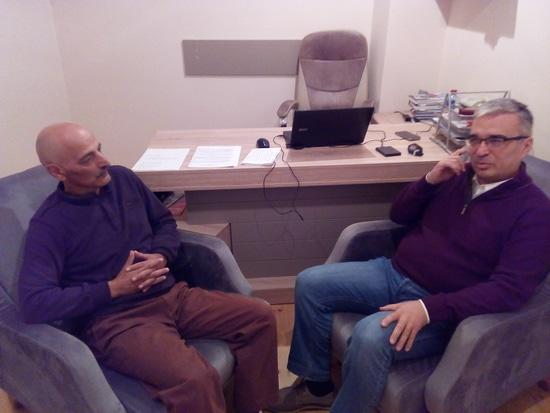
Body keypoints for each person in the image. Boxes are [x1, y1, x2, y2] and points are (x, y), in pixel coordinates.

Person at [267, 98, 550, 413]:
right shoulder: (456, 175)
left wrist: (428, 309)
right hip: (394, 273)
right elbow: (399, 215)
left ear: (525, 145)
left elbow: (509, 290)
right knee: (310, 282)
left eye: (496, 140)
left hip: (445, 308)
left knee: (370, 334)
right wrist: (429, 180)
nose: (481, 150)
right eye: (475, 139)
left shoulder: (535, 211)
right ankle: (317, 388)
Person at [18, 122, 278, 413]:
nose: (104, 161)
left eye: (99, 150)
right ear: (57, 171)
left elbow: (164, 223)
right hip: (117, 321)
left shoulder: (123, 179)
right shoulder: (49, 225)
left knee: (259, 316)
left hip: (173, 295)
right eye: (87, 158)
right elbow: (35, 303)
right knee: (194, 379)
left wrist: (161, 255)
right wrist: (113, 288)